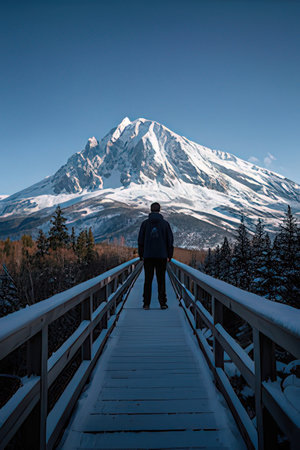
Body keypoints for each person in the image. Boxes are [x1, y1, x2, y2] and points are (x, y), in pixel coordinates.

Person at [138, 202, 174, 310]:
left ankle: (146, 304)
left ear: (150, 210)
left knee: (148, 280)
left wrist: (141, 255)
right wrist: (169, 255)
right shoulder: (165, 224)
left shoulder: (145, 224)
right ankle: (163, 303)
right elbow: (170, 241)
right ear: (159, 210)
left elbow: (140, 241)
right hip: (162, 256)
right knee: (161, 280)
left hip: (148, 256)